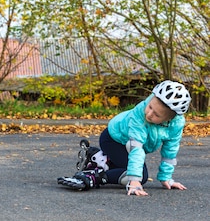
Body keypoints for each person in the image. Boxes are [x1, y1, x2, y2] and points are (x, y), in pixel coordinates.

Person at [57, 80, 192, 196]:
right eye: (150, 107)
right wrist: (134, 181)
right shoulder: (139, 115)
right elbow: (136, 150)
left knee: (129, 168)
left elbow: (170, 151)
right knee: (140, 176)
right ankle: (93, 176)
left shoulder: (176, 124)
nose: (149, 114)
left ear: (170, 119)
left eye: (156, 115)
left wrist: (166, 178)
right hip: (112, 139)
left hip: (127, 145)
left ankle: (97, 157)